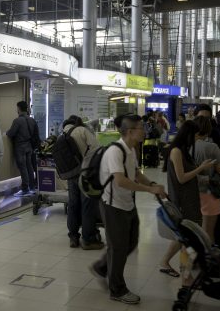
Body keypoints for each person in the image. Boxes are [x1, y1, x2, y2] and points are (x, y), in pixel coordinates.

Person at [89, 114, 166, 305]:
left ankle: (101, 268)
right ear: (130, 132)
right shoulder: (115, 151)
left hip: (127, 204)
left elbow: (136, 174)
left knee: (131, 243)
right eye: (141, 128)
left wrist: (152, 184)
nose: (145, 131)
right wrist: (149, 190)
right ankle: (117, 290)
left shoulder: (130, 149)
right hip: (113, 206)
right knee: (118, 248)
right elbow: (120, 180)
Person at [159, 120, 216, 281]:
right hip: (182, 200)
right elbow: (181, 178)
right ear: (189, 135)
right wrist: (201, 168)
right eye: (196, 136)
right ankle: (185, 271)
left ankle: (176, 266)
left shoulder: (184, 151)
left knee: (185, 236)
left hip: (190, 197)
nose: (197, 139)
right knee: (187, 236)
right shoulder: (176, 151)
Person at [61, 115, 103, 249]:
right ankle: (88, 239)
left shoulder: (63, 133)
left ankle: (73, 237)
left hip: (71, 175)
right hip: (85, 174)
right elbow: (96, 149)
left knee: (73, 205)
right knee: (87, 205)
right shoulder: (82, 130)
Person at [193, 116, 220, 243]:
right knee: (208, 231)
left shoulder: (184, 147)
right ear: (208, 130)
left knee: (192, 229)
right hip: (209, 192)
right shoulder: (212, 147)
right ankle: (207, 254)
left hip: (190, 191)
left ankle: (193, 254)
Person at [6, 101, 38, 197]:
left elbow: (11, 133)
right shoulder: (32, 120)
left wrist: (7, 132)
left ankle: (25, 188)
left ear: (19, 109)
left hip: (20, 147)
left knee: (23, 167)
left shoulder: (17, 121)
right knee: (29, 167)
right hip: (29, 146)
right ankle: (32, 187)